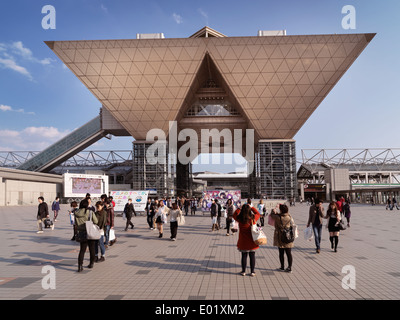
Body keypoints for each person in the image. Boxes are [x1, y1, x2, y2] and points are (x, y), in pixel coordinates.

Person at [233, 204, 260, 277]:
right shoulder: (253, 218)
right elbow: (258, 213)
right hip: (252, 241)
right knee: (252, 256)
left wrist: (239, 208)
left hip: (243, 241)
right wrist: (252, 207)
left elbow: (234, 215)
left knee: (244, 256)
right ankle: (252, 271)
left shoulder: (240, 219)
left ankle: (243, 271)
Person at [75, 199, 98, 271]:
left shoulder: (76, 213)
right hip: (90, 232)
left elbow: (75, 224)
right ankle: (91, 263)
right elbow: (96, 221)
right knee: (92, 248)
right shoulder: (90, 212)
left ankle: (80, 266)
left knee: (82, 250)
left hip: (81, 233)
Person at [270, 204, 295, 273]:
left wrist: (274, 210)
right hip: (288, 236)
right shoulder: (289, 217)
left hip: (280, 236)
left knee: (281, 252)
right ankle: (290, 267)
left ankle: (282, 267)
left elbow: (272, 215)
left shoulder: (278, 217)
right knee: (288, 253)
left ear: (281, 210)